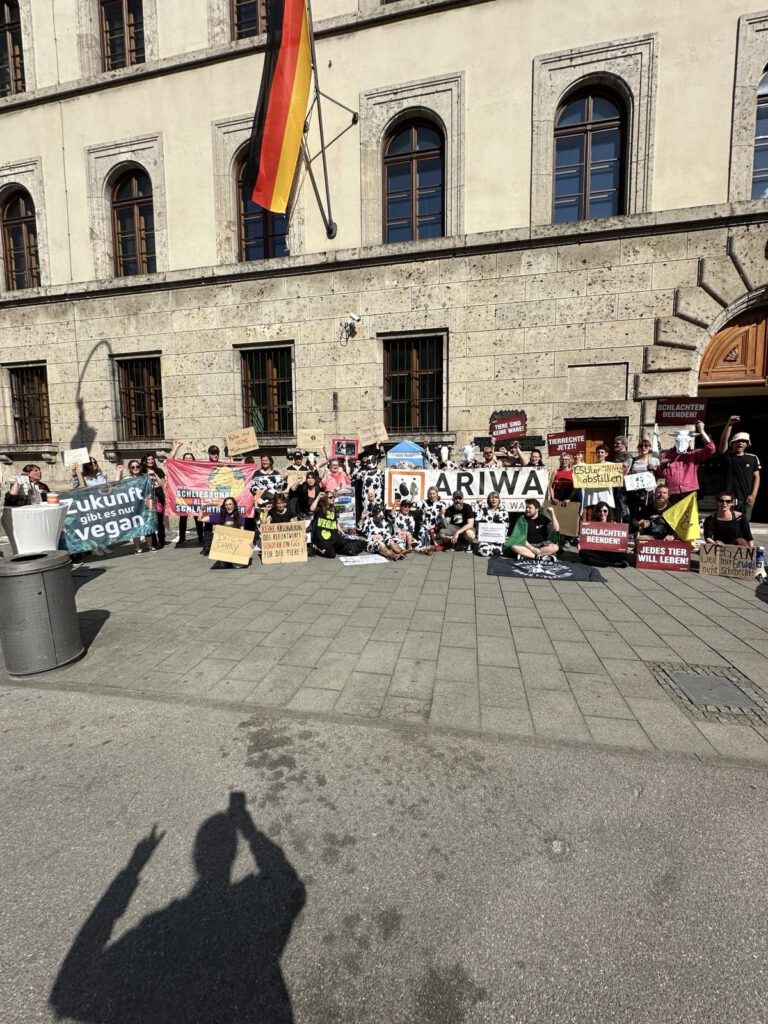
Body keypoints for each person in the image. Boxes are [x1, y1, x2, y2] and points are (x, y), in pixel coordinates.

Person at [659, 419, 715, 504]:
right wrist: (662, 466)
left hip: (689, 491)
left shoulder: (694, 454)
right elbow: (660, 474)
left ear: (689, 442)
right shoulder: (665, 455)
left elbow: (711, 449)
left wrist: (702, 431)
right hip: (672, 492)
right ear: (675, 441)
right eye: (678, 441)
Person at [717, 416, 761, 521]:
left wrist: (753, 495)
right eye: (737, 441)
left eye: (743, 441)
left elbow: (757, 477)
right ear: (732, 443)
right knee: (727, 523)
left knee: (744, 525)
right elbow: (723, 442)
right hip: (728, 499)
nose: (740, 443)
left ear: (747, 444)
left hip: (746, 499)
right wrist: (729, 425)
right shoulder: (727, 457)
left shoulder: (753, 458)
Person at [578, 502, 629, 568]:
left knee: (623, 554)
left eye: (605, 511)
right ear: (596, 512)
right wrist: (581, 544)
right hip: (596, 551)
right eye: (600, 511)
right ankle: (611, 563)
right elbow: (586, 540)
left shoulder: (614, 524)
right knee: (582, 552)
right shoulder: (591, 525)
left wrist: (624, 547)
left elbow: (620, 541)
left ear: (608, 512)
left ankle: (596, 562)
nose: (602, 513)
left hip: (609, 551)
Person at [203, 496, 248, 568]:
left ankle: (234, 558)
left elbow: (242, 533)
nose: (228, 506)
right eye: (226, 505)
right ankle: (223, 559)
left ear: (234, 505)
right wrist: (202, 507)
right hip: (224, 544)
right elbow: (200, 519)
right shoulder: (220, 516)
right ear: (224, 506)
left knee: (237, 566)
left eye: (230, 504)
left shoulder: (240, 517)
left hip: (235, 543)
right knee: (223, 565)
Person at [623, 438, 660, 522]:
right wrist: (624, 468)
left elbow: (659, 476)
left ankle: (645, 531)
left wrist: (654, 469)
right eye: (641, 446)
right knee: (634, 513)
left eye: (646, 445)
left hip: (649, 491)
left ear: (650, 448)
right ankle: (634, 532)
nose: (644, 447)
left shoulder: (655, 460)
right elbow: (624, 476)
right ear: (638, 448)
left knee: (647, 511)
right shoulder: (631, 460)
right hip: (634, 492)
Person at [123, 459, 153, 554]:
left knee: (147, 525)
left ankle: (150, 546)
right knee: (135, 526)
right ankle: (137, 547)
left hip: (145, 505)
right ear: (130, 469)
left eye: (137, 466)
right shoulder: (127, 479)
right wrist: (119, 472)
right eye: (133, 467)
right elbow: (119, 488)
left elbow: (150, 489)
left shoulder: (145, 477)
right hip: (133, 506)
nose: (135, 468)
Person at [578, 446, 615, 518]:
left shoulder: (612, 466)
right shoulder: (590, 467)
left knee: (605, 516)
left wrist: (624, 468)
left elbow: (617, 478)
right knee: (592, 517)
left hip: (605, 495)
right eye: (598, 452)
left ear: (606, 454)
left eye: (602, 452)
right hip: (592, 495)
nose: (600, 454)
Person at [140, 454, 166, 549]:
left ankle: (162, 539)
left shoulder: (158, 470)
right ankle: (153, 541)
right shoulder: (141, 472)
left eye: (152, 459)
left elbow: (162, 484)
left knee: (159, 520)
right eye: (148, 459)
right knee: (150, 520)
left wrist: (155, 474)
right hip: (147, 497)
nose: (151, 461)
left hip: (158, 496)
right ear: (144, 461)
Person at [473, 490, 510, 557]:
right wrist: (479, 506)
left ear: (499, 500)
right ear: (488, 500)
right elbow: (477, 521)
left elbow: (506, 526)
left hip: (497, 539)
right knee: (484, 552)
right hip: (485, 538)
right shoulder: (484, 510)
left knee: (497, 552)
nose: (494, 499)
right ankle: (487, 547)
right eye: (492, 498)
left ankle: (494, 548)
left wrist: (502, 537)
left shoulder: (504, 511)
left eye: (496, 498)